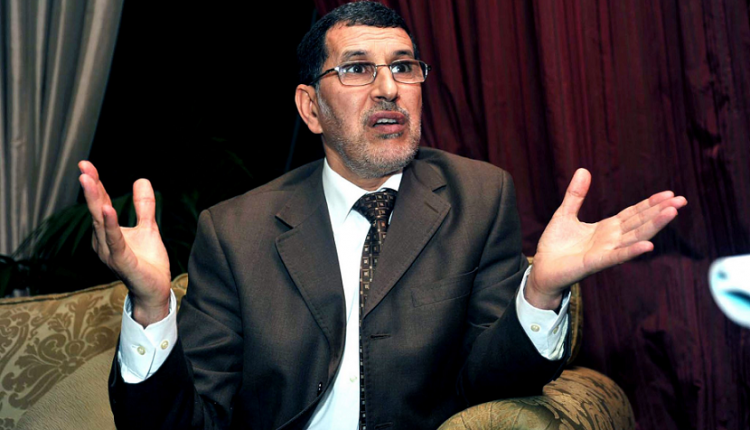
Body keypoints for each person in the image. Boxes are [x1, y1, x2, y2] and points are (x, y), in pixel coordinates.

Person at [78, 3, 687, 429]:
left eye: (403, 66)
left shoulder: (478, 197)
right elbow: (186, 422)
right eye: (357, 68)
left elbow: (490, 385)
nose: (389, 88)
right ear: (310, 108)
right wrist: (152, 306)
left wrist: (542, 292)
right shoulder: (236, 231)